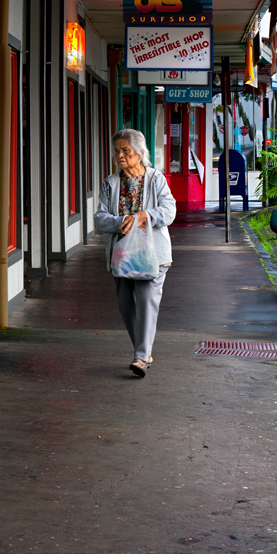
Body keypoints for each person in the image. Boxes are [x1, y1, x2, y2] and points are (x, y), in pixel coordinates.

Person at [94, 128, 176, 378]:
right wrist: (122, 220)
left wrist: (144, 215)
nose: (119, 155)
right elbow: (100, 218)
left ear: (139, 153)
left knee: (147, 304)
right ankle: (144, 351)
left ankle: (141, 357)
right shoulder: (111, 183)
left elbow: (169, 212)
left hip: (154, 256)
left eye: (125, 150)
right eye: (117, 150)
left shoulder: (155, 179)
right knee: (126, 306)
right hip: (122, 256)